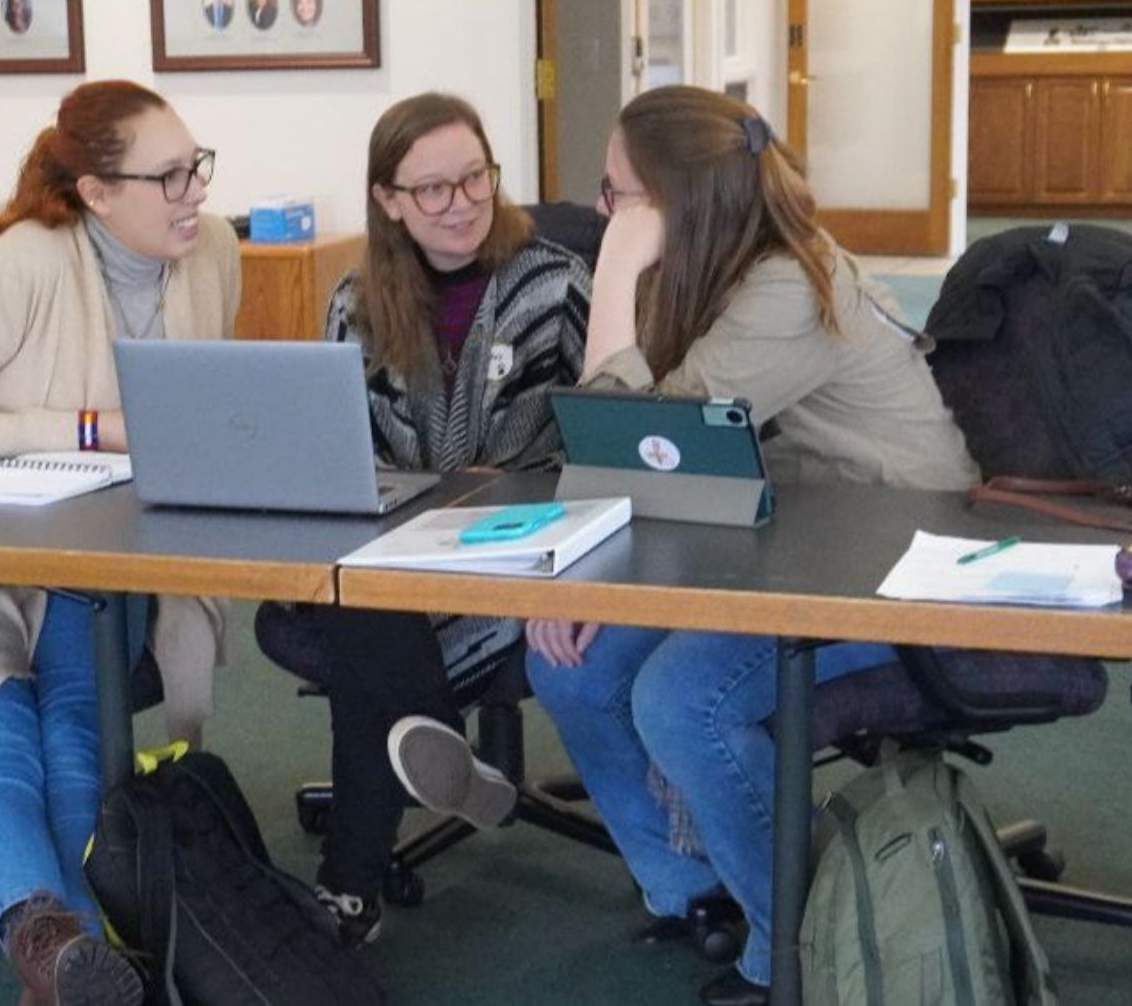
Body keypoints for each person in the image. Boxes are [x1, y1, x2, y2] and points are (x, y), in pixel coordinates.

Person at [387, 86, 979, 1006]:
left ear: (675, 201)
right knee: (573, 672)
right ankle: (694, 889)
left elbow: (637, 437)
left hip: (894, 559)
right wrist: (582, 579)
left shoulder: (787, 283)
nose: (601, 210)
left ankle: (796, 942)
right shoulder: (712, 268)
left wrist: (617, 268)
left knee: (681, 700)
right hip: (787, 539)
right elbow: (658, 464)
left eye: (618, 194)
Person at [0, 80, 241, 1005]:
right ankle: (54, 940)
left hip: (104, 559)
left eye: (198, 168)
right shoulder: (25, 261)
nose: (195, 192)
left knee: (74, 722)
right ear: (98, 193)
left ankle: (61, 963)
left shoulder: (214, 251)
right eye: (170, 176)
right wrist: (85, 430)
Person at [301, 92, 592, 948]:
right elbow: (339, 450)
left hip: (526, 538)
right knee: (346, 594)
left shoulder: (555, 283)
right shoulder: (355, 304)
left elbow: (607, 429)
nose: (462, 202)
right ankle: (448, 758)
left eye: (475, 178)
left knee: (358, 628)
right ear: (388, 199)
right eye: (432, 189)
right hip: (395, 538)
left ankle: (349, 889)